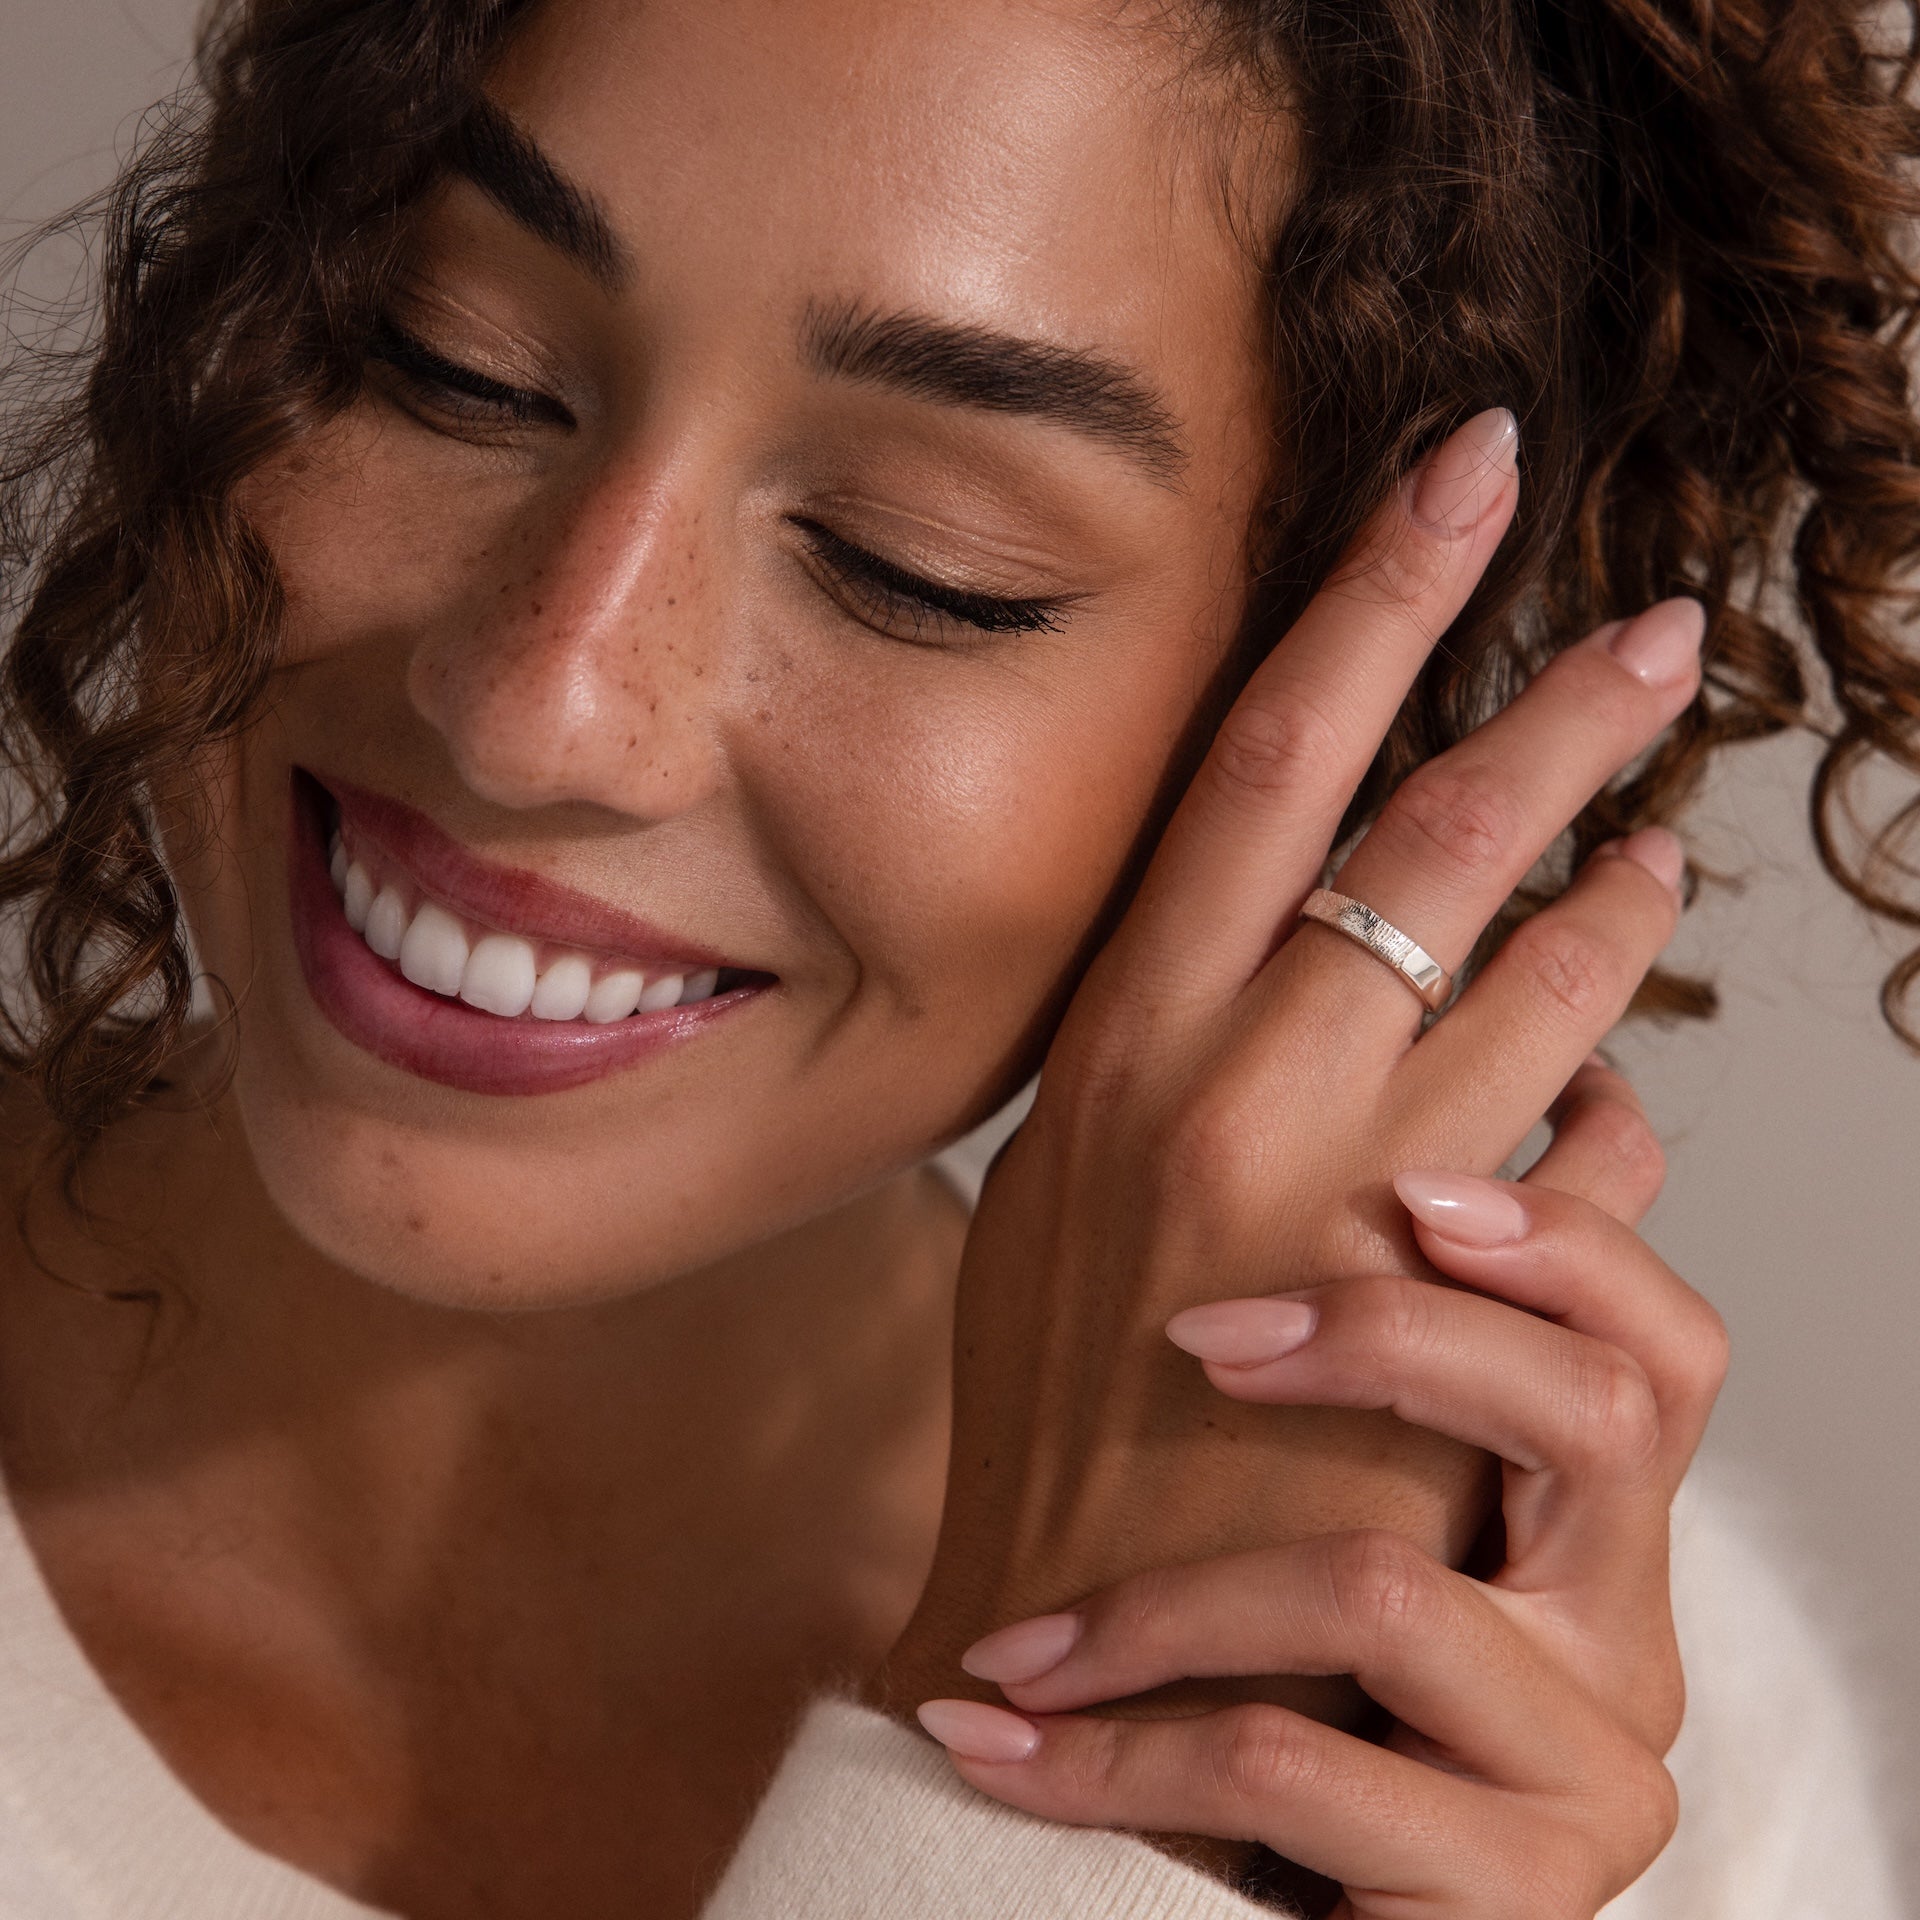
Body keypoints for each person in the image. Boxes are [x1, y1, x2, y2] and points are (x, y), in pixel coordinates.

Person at [0, 0, 1911, 1915]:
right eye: (451, 366)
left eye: (917, 563)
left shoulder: (1582, 1754)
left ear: (1356, 710)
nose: (543, 706)